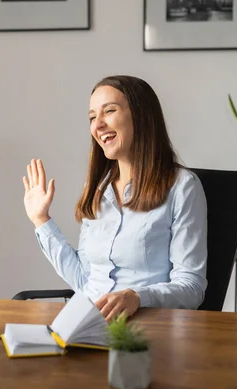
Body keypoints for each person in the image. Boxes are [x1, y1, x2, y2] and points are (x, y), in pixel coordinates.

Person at [22, 75, 208, 322]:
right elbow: (83, 280)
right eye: (91, 117)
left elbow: (191, 288)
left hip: (144, 329)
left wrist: (137, 297)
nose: (97, 125)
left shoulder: (182, 187)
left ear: (141, 117)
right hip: (87, 324)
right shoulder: (98, 189)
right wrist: (41, 220)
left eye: (108, 111)